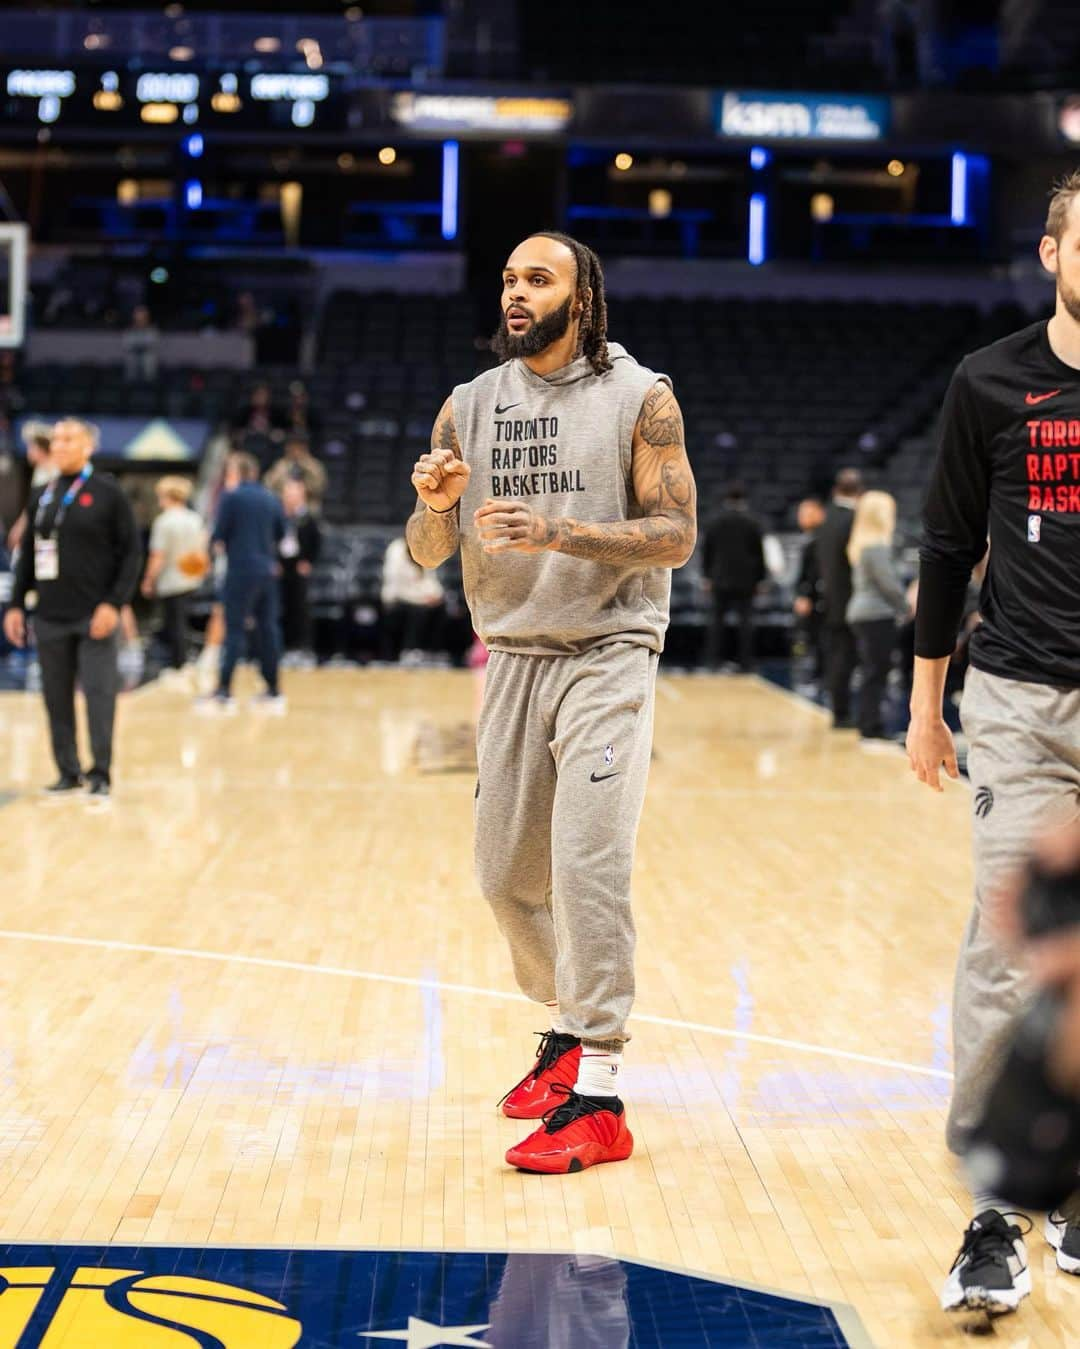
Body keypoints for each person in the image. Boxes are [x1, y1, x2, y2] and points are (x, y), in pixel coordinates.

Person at [405, 231, 697, 1174]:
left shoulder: (640, 397)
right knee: (502, 875)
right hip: (513, 655)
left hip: (609, 651)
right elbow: (425, 552)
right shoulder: (469, 404)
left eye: (538, 278)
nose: (517, 292)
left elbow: (676, 533)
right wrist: (438, 502)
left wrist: (560, 530)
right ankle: (569, 1025)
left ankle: (600, 1090)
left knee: (587, 865)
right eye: (508, 276)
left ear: (583, 295)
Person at [907, 170, 1080, 1316]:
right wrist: (927, 704)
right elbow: (943, 541)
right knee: (1013, 943)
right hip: (1021, 701)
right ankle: (991, 1217)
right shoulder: (991, 380)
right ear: (1053, 250)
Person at [2, 418, 141, 797]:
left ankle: (100, 773)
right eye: (56, 439)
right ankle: (68, 771)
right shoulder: (42, 494)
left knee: (98, 695)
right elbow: (29, 554)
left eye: (68, 438)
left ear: (88, 446)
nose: (59, 445)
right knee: (55, 697)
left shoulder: (108, 492)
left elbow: (131, 554)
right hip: (49, 614)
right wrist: (16, 604)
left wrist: (113, 604)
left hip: (95, 614)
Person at [210, 451, 285, 710]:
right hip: (267, 570)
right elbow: (282, 533)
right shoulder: (270, 498)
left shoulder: (231, 497)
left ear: (235, 472)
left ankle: (223, 688)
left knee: (234, 630)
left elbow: (218, 535)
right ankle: (274, 688)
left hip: (240, 570)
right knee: (268, 629)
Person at [845, 490, 910, 742]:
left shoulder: (862, 545)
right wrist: (906, 605)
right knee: (877, 671)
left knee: (872, 670)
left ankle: (867, 722)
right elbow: (889, 584)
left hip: (863, 612)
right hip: (875, 614)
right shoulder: (876, 547)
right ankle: (872, 725)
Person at [141, 475, 208, 670]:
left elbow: (158, 556)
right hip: (191, 578)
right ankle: (183, 660)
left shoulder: (164, 522)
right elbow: (201, 551)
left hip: (171, 580)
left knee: (174, 624)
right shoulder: (195, 519)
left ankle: (179, 664)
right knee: (182, 622)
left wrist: (148, 580)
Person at [815, 467, 864, 728]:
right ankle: (842, 713)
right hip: (850, 597)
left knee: (836, 656)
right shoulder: (853, 520)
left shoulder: (826, 518)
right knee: (846, 658)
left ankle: (838, 709)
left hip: (830, 597)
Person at [701, 481, 765, 672]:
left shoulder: (715, 521)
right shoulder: (753, 522)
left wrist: (707, 577)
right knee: (746, 624)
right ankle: (746, 662)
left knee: (716, 623)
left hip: (719, 580)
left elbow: (706, 552)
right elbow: (759, 554)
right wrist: (760, 579)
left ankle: (713, 661)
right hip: (746, 581)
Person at [380, 534, 446, 665]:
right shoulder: (396, 550)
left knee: (441, 606)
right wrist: (422, 599)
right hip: (396, 598)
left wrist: (436, 595)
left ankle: (432, 651)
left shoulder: (425, 549)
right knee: (418, 611)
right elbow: (397, 586)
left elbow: (430, 579)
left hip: (419, 597)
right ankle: (409, 650)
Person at [278, 477, 320, 663]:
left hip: (300, 567)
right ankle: (284, 647)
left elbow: (316, 542)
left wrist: (308, 561)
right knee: (281, 608)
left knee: (300, 609)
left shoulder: (308, 517)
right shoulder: (280, 516)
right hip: (281, 567)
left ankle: (302, 648)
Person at [6, 422, 55, 554]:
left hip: (49, 530)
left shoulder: (54, 471)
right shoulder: (40, 470)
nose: (29, 451)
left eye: (31, 447)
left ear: (40, 448)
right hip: (38, 527)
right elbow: (32, 505)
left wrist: (19, 528)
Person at [792, 496, 826, 685]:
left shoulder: (821, 540)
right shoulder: (810, 540)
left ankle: (821, 674)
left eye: (806, 513)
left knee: (821, 637)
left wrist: (805, 595)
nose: (801, 517)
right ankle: (817, 673)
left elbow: (814, 573)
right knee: (813, 637)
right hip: (812, 597)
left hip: (820, 598)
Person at [264, 433, 328, 511]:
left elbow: (320, 487)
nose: (294, 450)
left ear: (305, 448)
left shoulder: (314, 465)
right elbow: (268, 486)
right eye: (291, 446)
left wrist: (306, 467)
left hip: (308, 505)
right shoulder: (280, 465)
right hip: (283, 505)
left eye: (298, 447)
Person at [121, 304, 160, 383]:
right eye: (138, 316)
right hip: (132, 369)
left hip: (149, 370)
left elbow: (153, 345)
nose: (140, 319)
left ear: (147, 317)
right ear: (134, 317)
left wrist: (141, 347)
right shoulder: (128, 331)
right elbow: (127, 346)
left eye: (143, 316)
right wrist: (140, 347)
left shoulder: (153, 331)